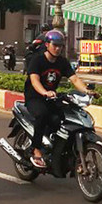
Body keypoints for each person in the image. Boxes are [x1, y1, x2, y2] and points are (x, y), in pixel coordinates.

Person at [24, 29, 96, 169]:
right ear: (47, 45)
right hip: (35, 97)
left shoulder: (62, 62)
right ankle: (36, 148)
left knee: (61, 118)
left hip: (52, 97)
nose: (58, 48)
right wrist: (45, 92)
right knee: (42, 114)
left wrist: (87, 91)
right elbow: (35, 81)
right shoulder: (37, 60)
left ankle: (53, 145)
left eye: (60, 46)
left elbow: (74, 79)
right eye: (55, 45)